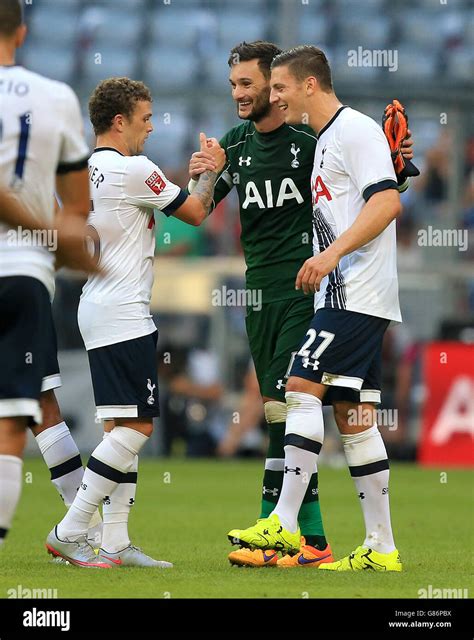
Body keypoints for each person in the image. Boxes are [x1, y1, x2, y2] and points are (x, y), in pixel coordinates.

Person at [190, 41, 413, 568]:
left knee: (296, 391)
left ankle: (289, 527)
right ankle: (381, 547)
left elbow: (385, 198)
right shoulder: (299, 138)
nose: (257, 95)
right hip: (310, 289)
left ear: (299, 84)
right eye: (238, 85)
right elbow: (196, 208)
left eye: (270, 86)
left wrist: (330, 254)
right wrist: (202, 173)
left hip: (336, 289)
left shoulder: (331, 134)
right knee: (352, 415)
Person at [45, 77, 226, 568]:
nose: (150, 128)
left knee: (117, 428)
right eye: (145, 119)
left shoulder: (80, 172)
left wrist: (191, 179)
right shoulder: (134, 168)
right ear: (120, 121)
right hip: (125, 310)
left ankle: (116, 542)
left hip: (94, 304)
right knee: (139, 426)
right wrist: (211, 172)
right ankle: (72, 528)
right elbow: (194, 212)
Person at [0, 0, 101, 550]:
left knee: (40, 404)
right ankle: (80, 527)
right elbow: (75, 210)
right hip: (22, 271)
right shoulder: (54, 97)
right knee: (23, 413)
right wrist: (56, 249)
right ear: (22, 30)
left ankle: (78, 525)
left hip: (25, 263)